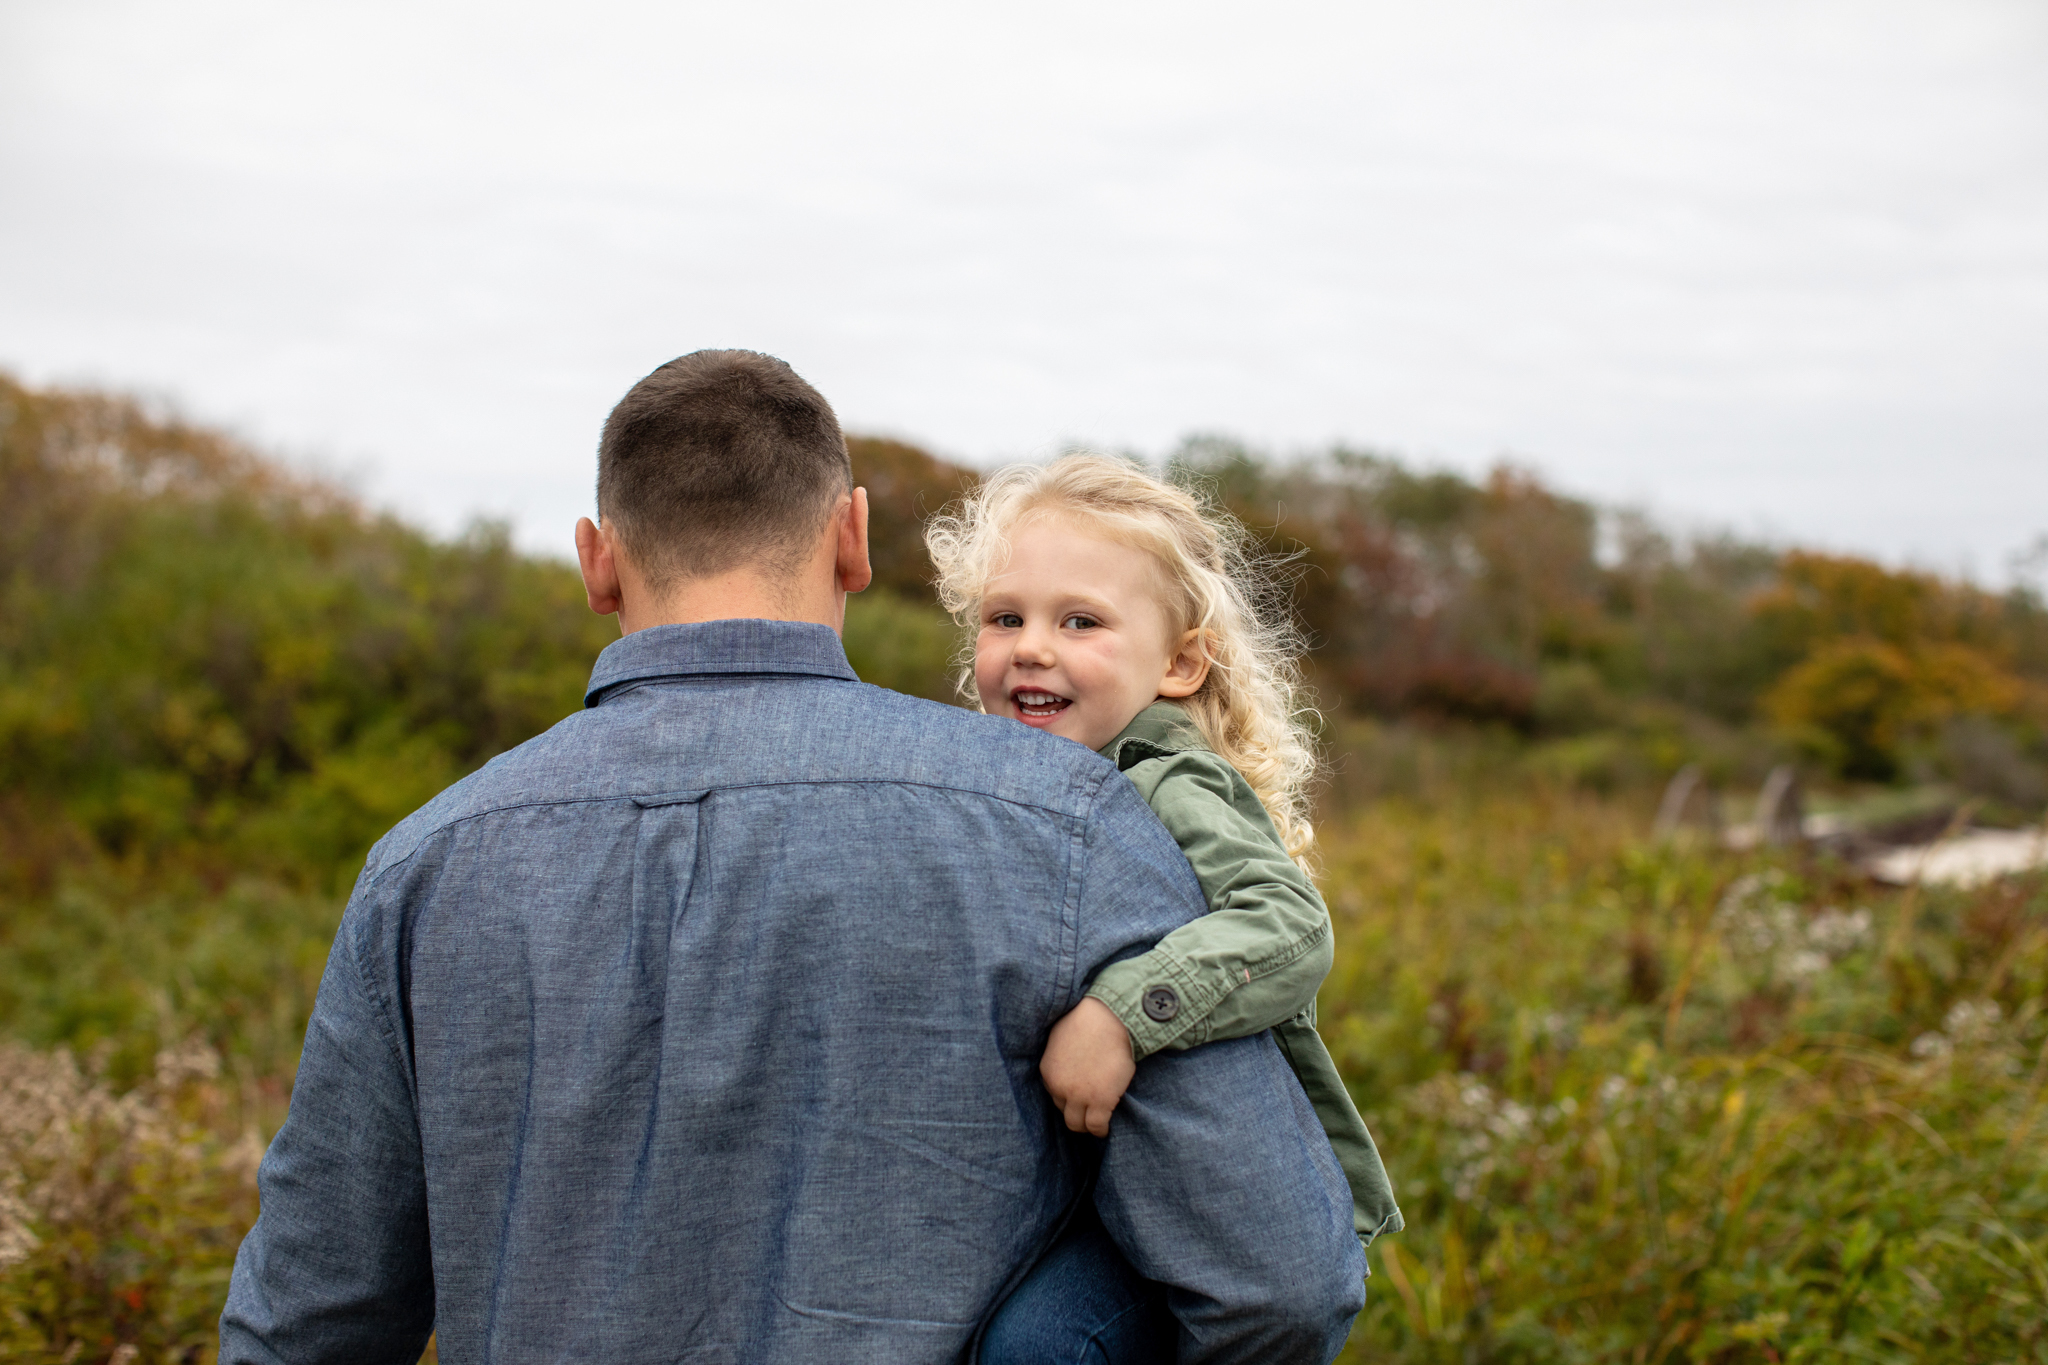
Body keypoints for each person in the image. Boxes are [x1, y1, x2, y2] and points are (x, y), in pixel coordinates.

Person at [218, 351, 1365, 1364]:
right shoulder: (1071, 825)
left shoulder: (425, 865)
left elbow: (309, 1320)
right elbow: (1276, 1285)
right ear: (852, 540)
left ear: (597, 564)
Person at [924, 455, 1402, 1363]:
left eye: (1080, 621)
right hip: (1091, 1185)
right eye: (1004, 617)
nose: (1031, 645)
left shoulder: (1165, 779)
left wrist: (1122, 1014)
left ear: (1180, 662)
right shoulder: (1020, 789)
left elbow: (1291, 923)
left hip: (1201, 1198)